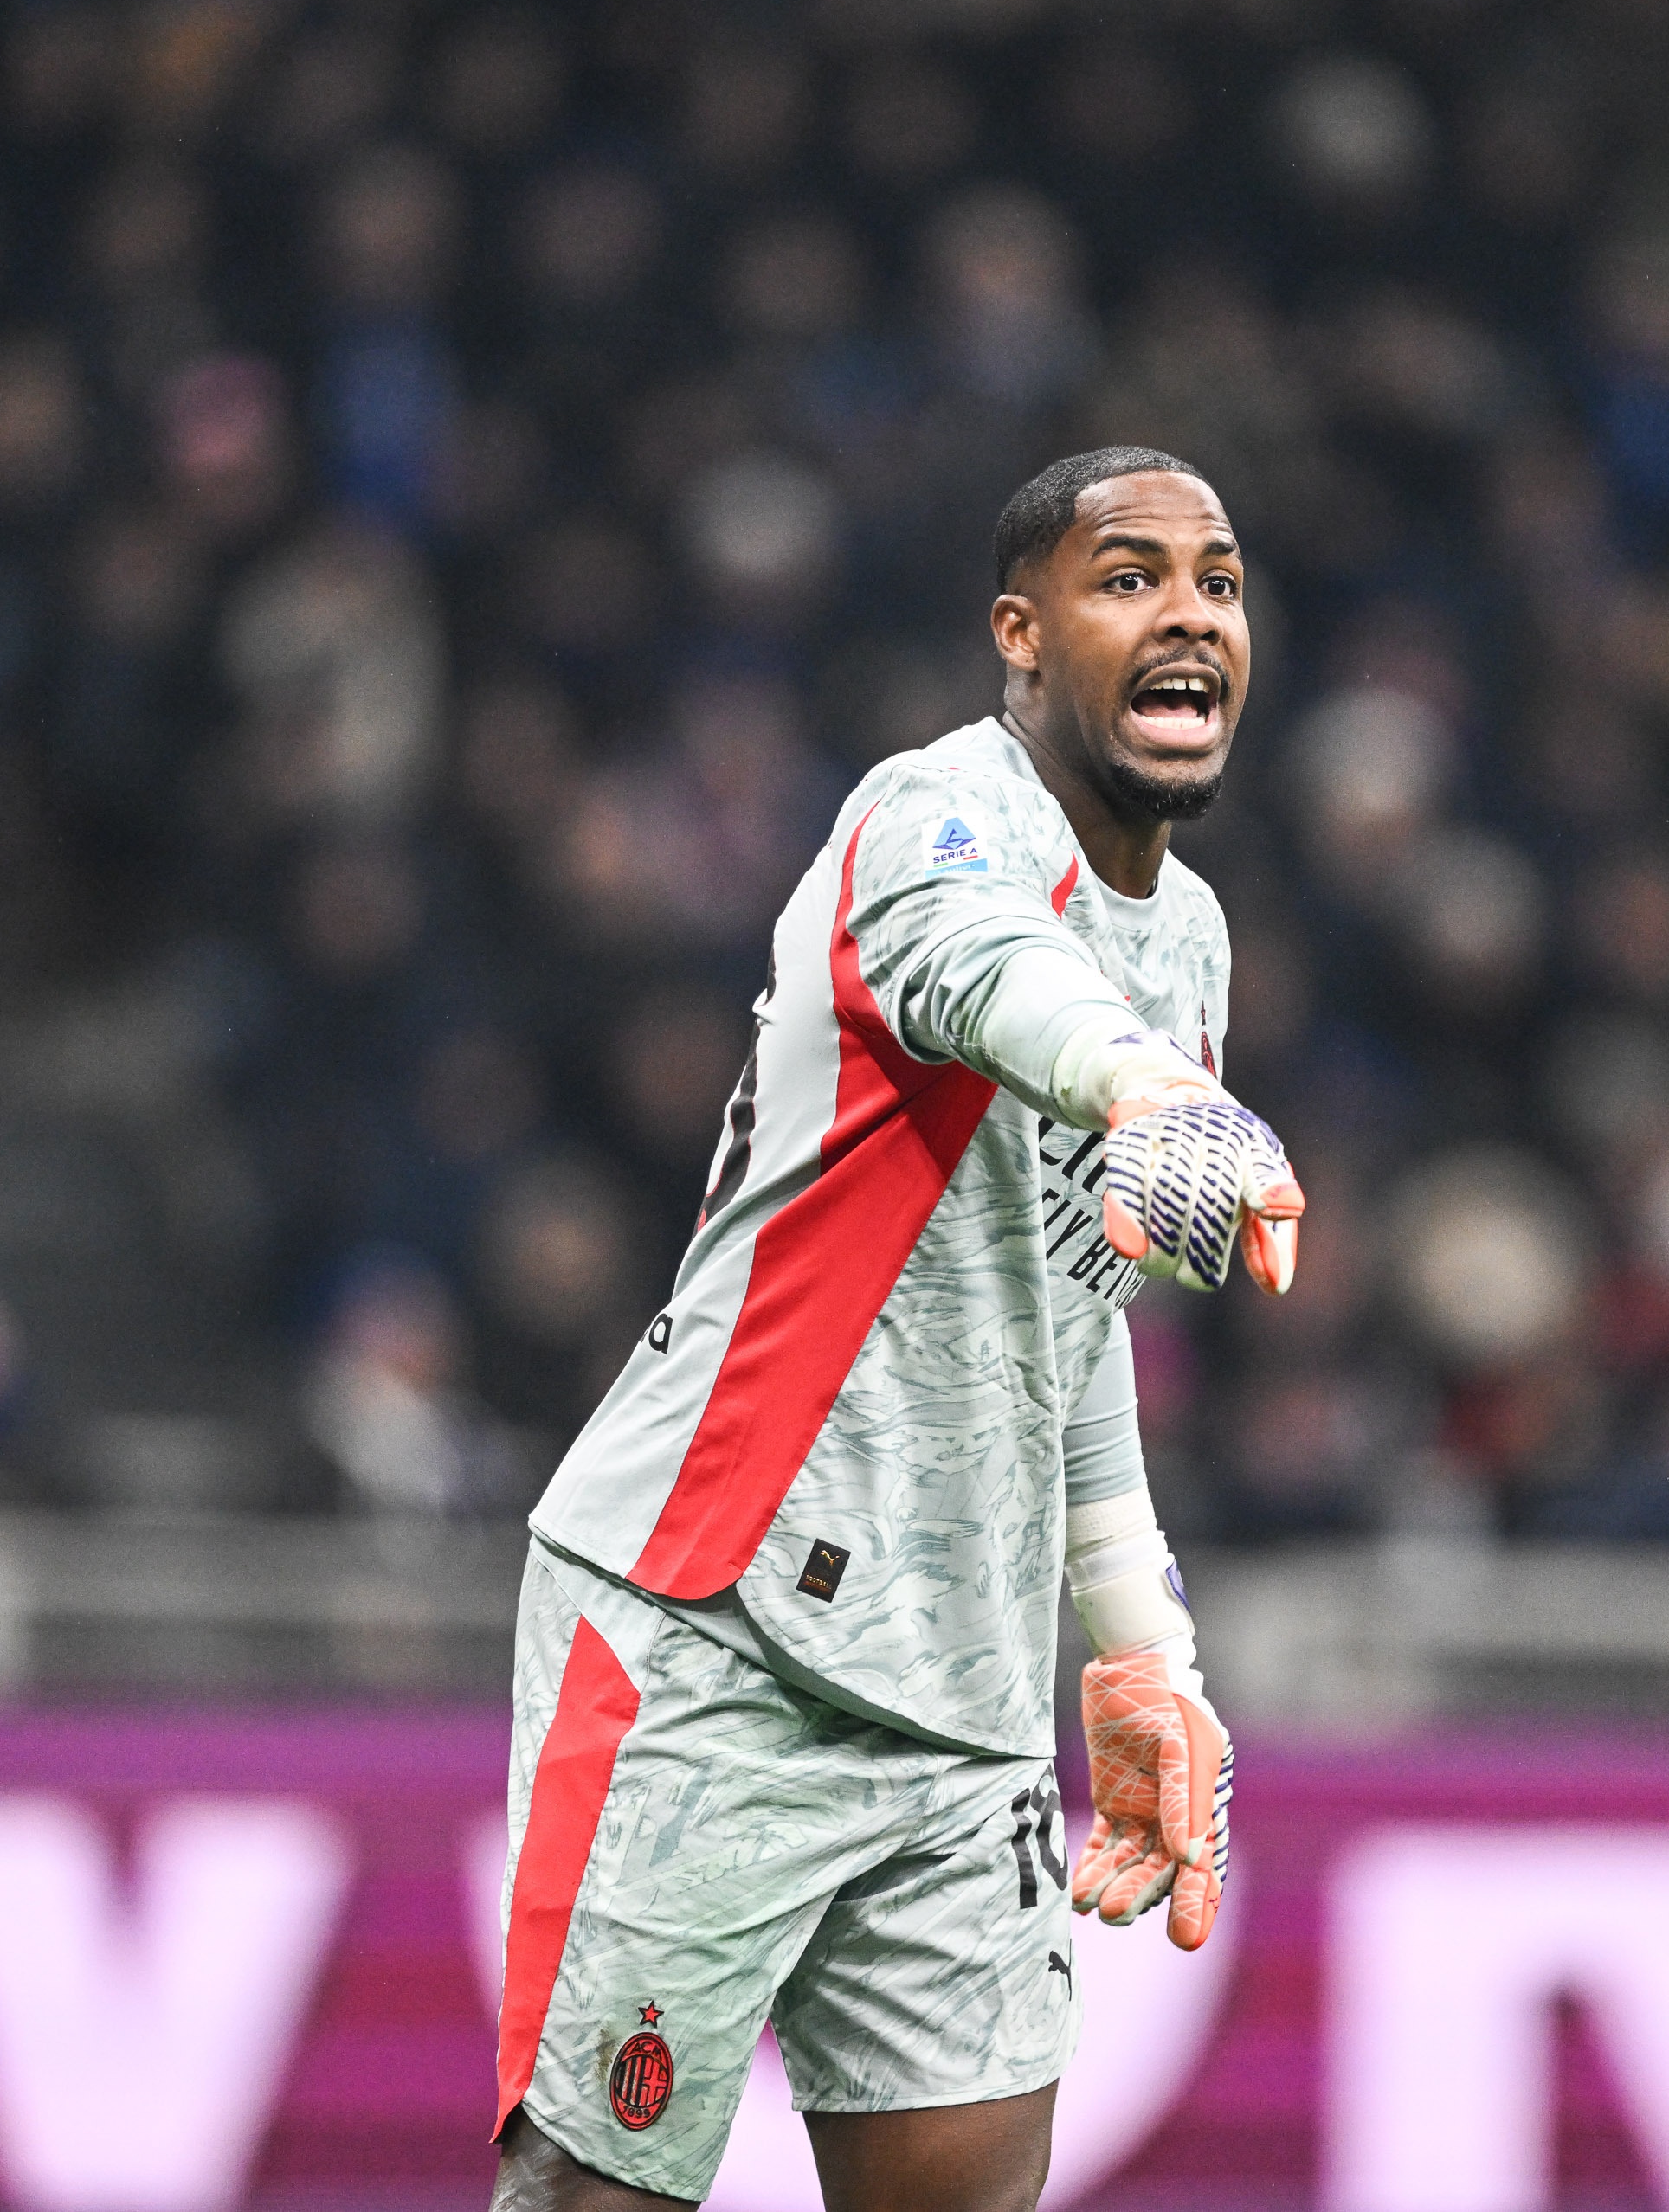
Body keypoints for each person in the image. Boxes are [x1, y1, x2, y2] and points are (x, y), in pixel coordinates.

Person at [487, 450, 1306, 2212]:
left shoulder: (1192, 941)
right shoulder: (927, 816)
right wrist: (1144, 1084)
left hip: (964, 1695)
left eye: (1219, 583)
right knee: (589, 2194)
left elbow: (1070, 1317)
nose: (1187, 615)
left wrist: (1141, 1648)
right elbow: (980, 967)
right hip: (715, 1625)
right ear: (1021, 633)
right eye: (1129, 578)